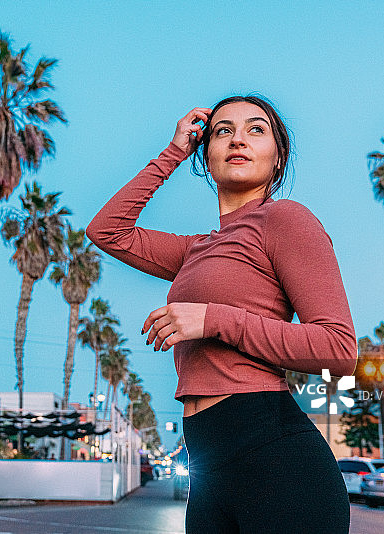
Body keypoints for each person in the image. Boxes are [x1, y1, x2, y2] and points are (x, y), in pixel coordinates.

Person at [86, 95, 357, 533]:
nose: (238, 140)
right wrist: (174, 150)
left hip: (276, 459)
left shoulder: (284, 220)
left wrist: (214, 320)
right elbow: (106, 230)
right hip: (208, 466)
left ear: (277, 156)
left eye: (256, 130)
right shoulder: (197, 248)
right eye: (222, 130)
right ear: (206, 154)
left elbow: (339, 349)